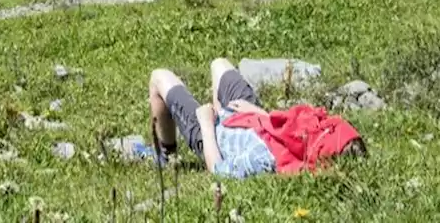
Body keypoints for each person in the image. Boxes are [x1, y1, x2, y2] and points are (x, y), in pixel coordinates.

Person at [148, 58, 365, 179]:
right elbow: (288, 126)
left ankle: (167, 156)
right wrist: (258, 113)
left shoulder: (265, 159)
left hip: (215, 135)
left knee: (159, 76)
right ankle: (219, 111)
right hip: (251, 116)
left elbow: (218, 171)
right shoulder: (311, 138)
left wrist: (206, 124)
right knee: (219, 64)